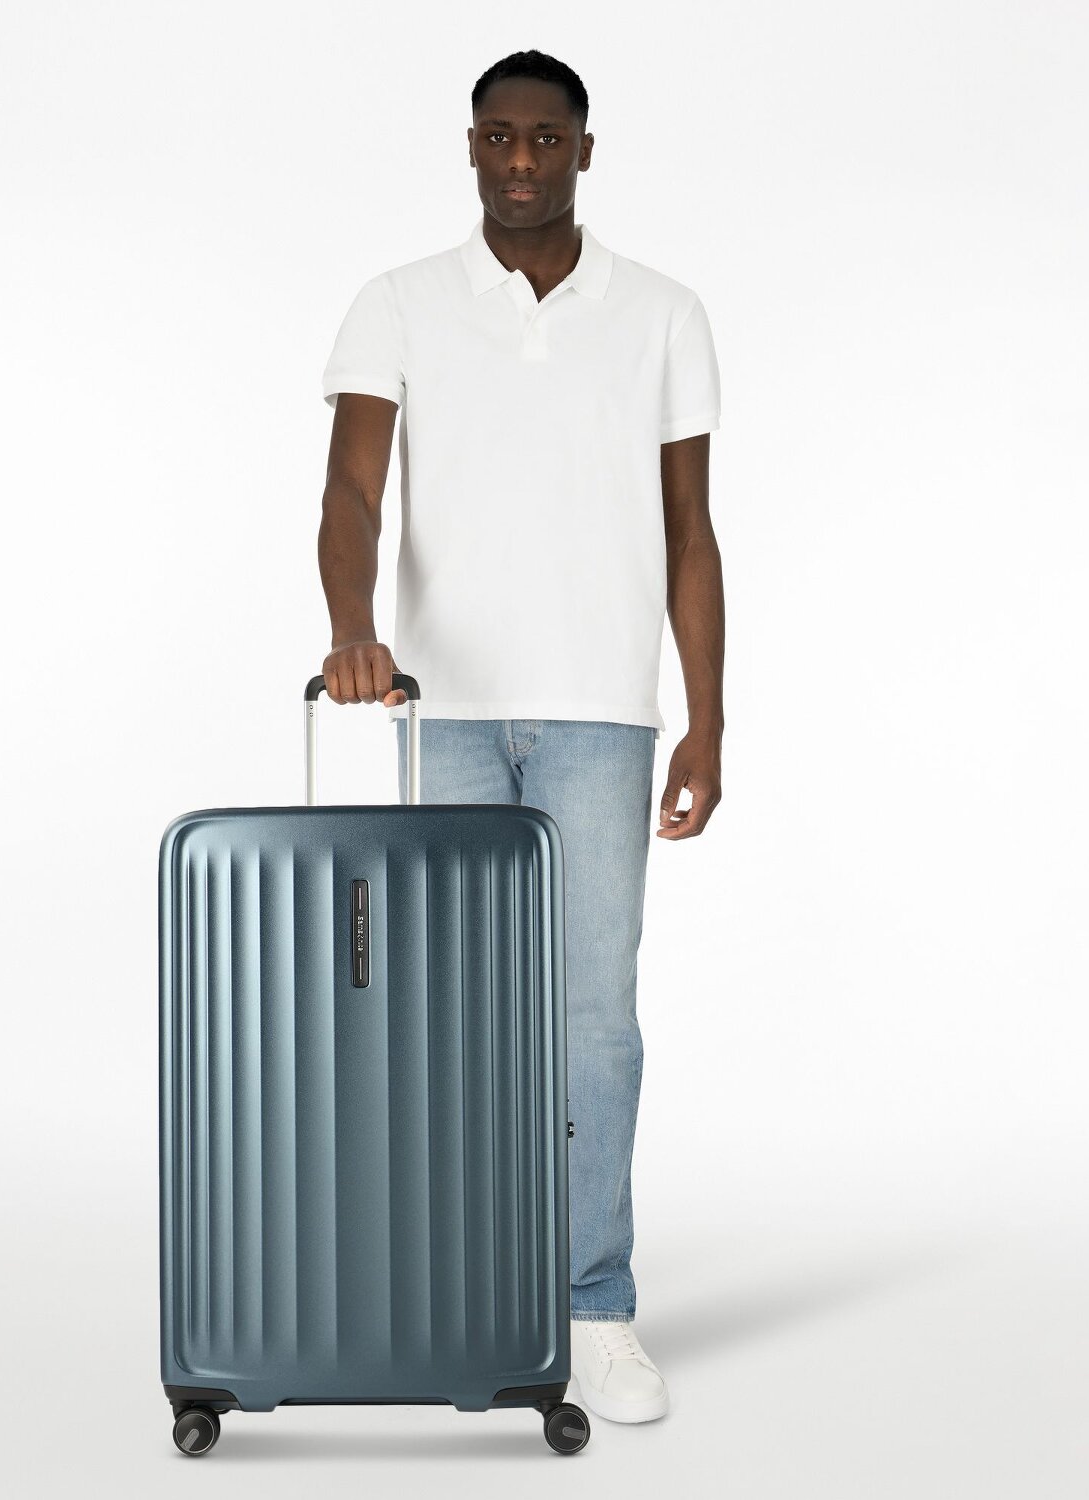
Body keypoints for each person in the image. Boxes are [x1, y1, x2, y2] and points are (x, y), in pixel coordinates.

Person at [316, 49, 724, 1426]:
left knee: (594, 1024)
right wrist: (354, 628)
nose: (523, 163)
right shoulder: (400, 302)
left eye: (547, 140)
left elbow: (690, 531)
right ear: (472, 146)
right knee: (445, 1012)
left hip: (604, 710)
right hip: (445, 709)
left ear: (584, 151)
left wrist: (707, 716)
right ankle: (461, 1287)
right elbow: (352, 494)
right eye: (500, 138)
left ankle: (593, 1305)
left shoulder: (662, 313)